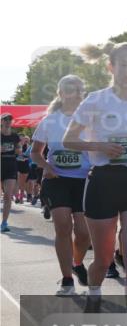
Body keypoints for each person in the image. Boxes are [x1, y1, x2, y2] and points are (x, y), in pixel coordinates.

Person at [63, 42, 127, 310]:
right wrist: (101, 146)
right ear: (111, 67)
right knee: (103, 258)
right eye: (124, 64)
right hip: (103, 182)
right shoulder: (95, 100)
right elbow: (68, 140)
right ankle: (94, 293)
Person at [30, 75, 93, 295]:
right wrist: (46, 166)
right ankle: (67, 279)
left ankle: (77, 263)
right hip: (57, 179)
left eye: (77, 89)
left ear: (81, 93)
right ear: (61, 93)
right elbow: (35, 153)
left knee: (84, 233)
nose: (73, 93)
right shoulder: (50, 121)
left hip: (84, 180)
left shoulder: (90, 120)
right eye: (68, 89)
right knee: (63, 226)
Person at [1, 114, 18, 232]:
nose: (8, 121)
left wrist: (19, 149)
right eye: (5, 119)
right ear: (1, 121)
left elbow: (19, 149)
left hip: (11, 164)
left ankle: (4, 223)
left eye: (10, 120)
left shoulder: (15, 136)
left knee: (8, 195)